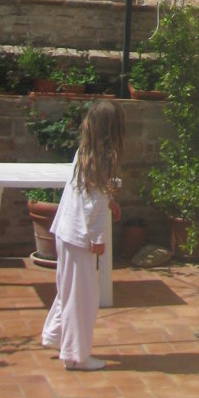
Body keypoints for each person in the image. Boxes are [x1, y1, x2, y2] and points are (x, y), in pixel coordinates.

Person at [41, 99, 125, 370]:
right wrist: (98, 239)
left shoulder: (85, 153)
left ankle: (55, 336)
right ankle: (76, 357)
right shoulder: (104, 159)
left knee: (68, 290)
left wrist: (111, 200)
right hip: (80, 237)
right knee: (84, 299)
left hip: (65, 232)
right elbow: (93, 204)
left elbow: (89, 191)